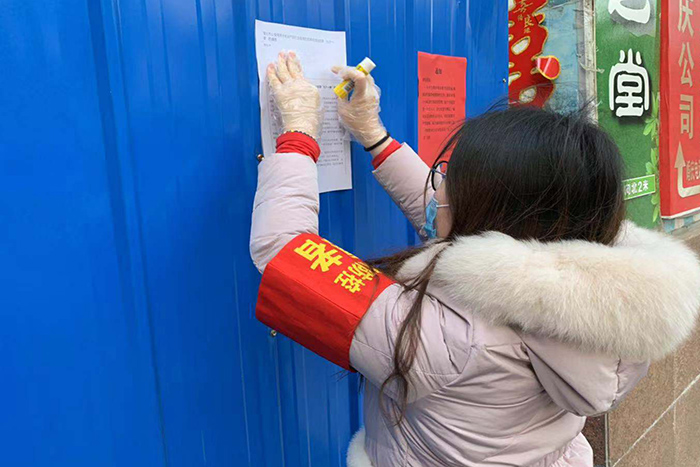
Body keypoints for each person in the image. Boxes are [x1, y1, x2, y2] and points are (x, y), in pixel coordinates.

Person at [249, 52, 700, 467]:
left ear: (494, 211)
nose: (439, 183)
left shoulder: (448, 337)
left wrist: (299, 135)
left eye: (451, 176)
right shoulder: (598, 299)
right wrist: (375, 137)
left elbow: (282, 252)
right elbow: (461, 227)